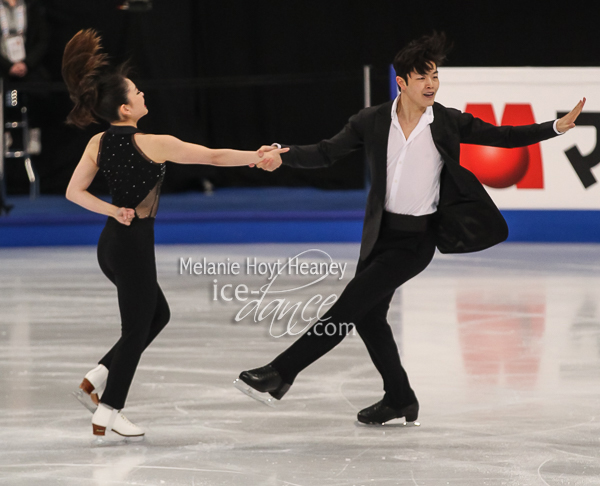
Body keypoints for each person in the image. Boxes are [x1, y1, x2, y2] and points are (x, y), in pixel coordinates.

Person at [235, 32, 585, 425]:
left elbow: (502, 137)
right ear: (401, 82)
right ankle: (400, 398)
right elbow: (326, 152)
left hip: (415, 242)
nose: (431, 84)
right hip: (379, 239)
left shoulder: (448, 122)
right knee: (368, 318)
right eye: (422, 77)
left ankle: (282, 372)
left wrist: (555, 127)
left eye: (435, 75)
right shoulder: (370, 121)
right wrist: (284, 158)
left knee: (348, 307)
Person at [62, 29, 286, 444]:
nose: (143, 93)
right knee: (136, 330)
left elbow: (74, 192)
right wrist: (258, 156)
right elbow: (215, 157)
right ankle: (109, 412)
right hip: (131, 247)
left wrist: (113, 210)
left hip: (111, 244)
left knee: (156, 316)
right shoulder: (155, 144)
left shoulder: (98, 141)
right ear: (126, 108)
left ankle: (94, 380)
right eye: (136, 91)